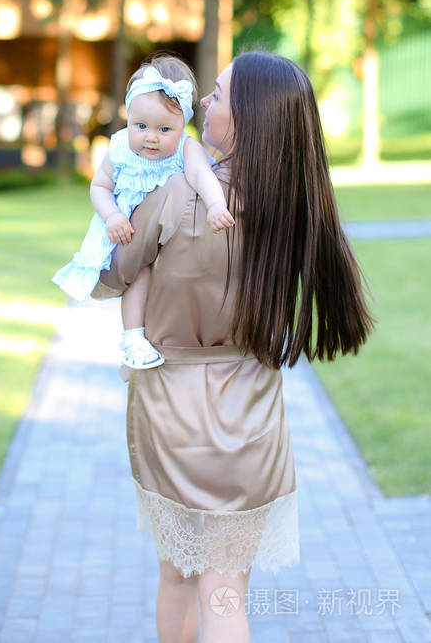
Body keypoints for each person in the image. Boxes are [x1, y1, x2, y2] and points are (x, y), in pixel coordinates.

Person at [95, 51, 374, 643]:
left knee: (177, 578)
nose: (202, 103)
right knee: (227, 594)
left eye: (217, 96)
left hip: (172, 406)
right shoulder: (295, 206)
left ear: (244, 119)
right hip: (252, 411)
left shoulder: (173, 194)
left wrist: (114, 212)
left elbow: (115, 273)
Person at [53, 55, 234, 369]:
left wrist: (217, 204)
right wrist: (111, 216)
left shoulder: (186, 148)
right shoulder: (121, 146)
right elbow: (99, 186)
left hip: (168, 238)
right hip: (126, 228)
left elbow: (202, 176)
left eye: (164, 128)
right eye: (141, 126)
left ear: (183, 123)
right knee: (140, 274)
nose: (151, 137)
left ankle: (150, 340)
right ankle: (132, 338)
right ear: (129, 117)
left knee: (163, 278)